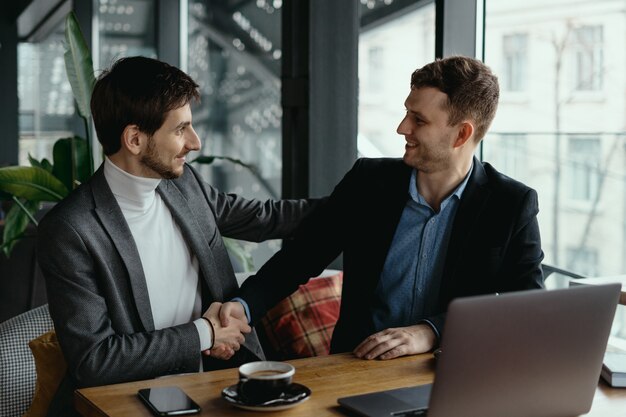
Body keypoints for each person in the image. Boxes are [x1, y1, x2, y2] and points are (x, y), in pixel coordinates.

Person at [37, 56, 314, 415]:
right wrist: (205, 334)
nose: (195, 143)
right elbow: (96, 360)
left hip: (214, 389)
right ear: (135, 139)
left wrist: (363, 199)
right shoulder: (70, 229)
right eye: (181, 129)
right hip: (125, 404)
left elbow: (265, 218)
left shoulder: (185, 186)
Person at [218, 56, 545, 361]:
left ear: (462, 134)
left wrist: (432, 331)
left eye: (418, 120)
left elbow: (528, 310)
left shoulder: (511, 204)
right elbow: (302, 255)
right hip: (358, 368)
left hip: (456, 372)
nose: (403, 128)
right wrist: (244, 306)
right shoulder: (368, 182)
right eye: (407, 113)